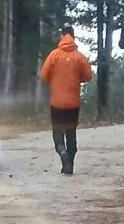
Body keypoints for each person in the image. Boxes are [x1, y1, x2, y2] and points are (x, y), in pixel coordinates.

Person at [40, 25, 93, 175]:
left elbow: (44, 75)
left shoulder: (54, 55)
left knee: (58, 131)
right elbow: (88, 76)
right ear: (73, 36)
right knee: (71, 132)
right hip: (73, 103)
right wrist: (77, 78)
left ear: (62, 36)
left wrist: (54, 81)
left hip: (56, 102)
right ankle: (70, 163)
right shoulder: (79, 57)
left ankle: (62, 151)